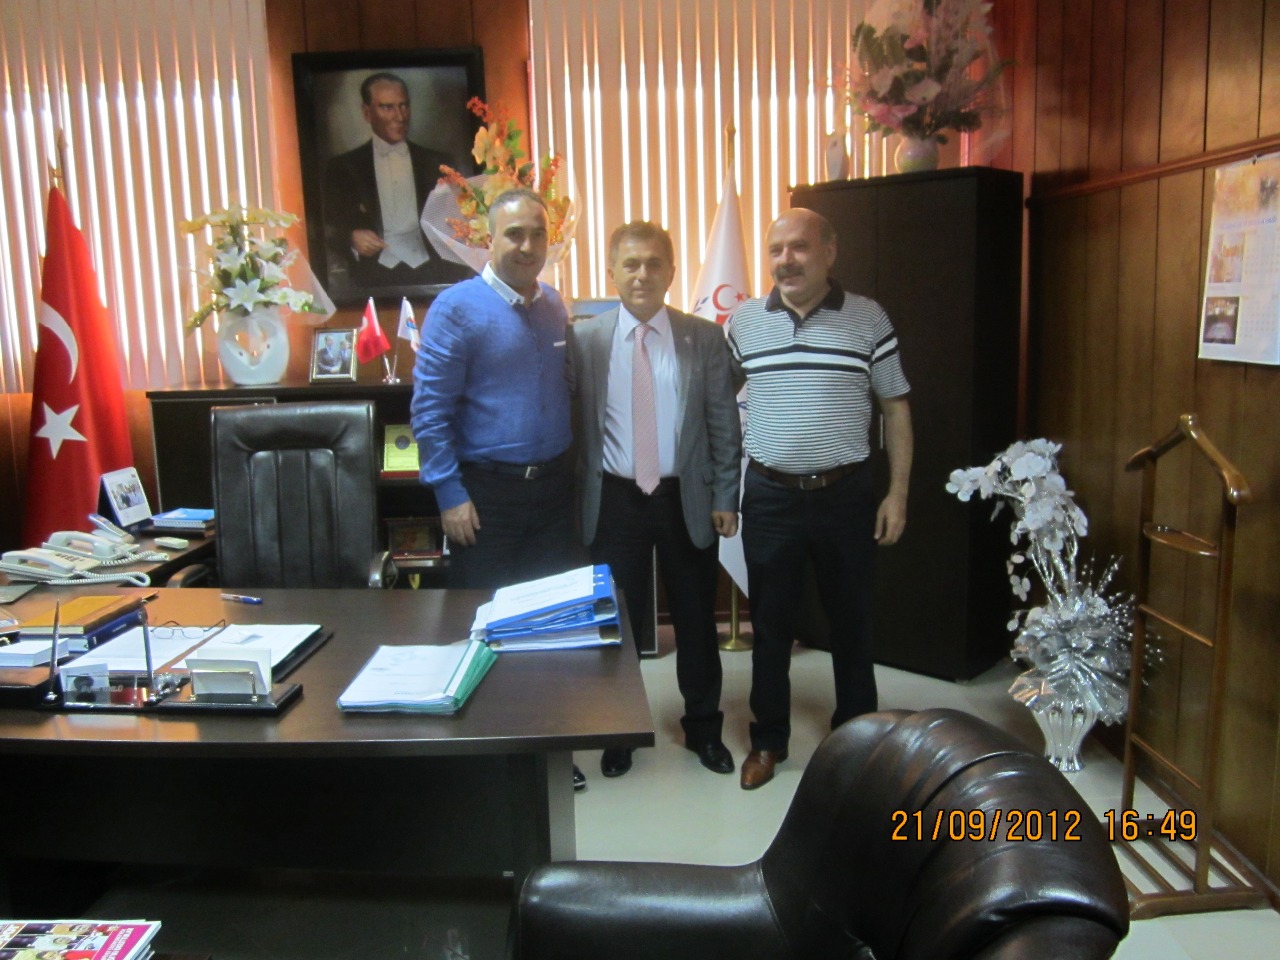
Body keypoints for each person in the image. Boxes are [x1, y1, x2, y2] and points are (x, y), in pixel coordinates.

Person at [728, 207, 913, 790]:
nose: (786, 260)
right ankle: (768, 741)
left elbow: (895, 409)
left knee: (852, 624)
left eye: (799, 247)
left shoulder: (868, 318)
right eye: (775, 249)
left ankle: (859, 739)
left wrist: (897, 493)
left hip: (847, 495)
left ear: (829, 252)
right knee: (770, 628)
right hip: (769, 497)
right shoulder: (744, 322)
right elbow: (716, 407)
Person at [567, 221, 742, 779]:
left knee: (696, 621)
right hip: (614, 500)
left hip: (685, 497)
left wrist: (726, 494)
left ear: (671, 272)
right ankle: (618, 733)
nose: (642, 274)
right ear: (612, 273)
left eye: (653, 264)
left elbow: (723, 423)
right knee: (616, 626)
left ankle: (704, 730)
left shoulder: (703, 337)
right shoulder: (585, 339)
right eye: (630, 264)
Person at [410, 187, 577, 591]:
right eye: (514, 234)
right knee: (484, 615)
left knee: (549, 615)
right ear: (489, 240)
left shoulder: (554, 305)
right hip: (487, 499)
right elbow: (429, 413)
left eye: (538, 234)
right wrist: (449, 495)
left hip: (555, 496)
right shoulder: (455, 308)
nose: (528, 246)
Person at [323, 72, 471, 290]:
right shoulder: (343, 167)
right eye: (387, 107)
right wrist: (351, 238)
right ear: (367, 113)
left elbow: (461, 222)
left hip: (433, 272)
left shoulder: (440, 163)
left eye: (404, 106)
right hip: (371, 276)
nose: (400, 116)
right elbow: (326, 227)